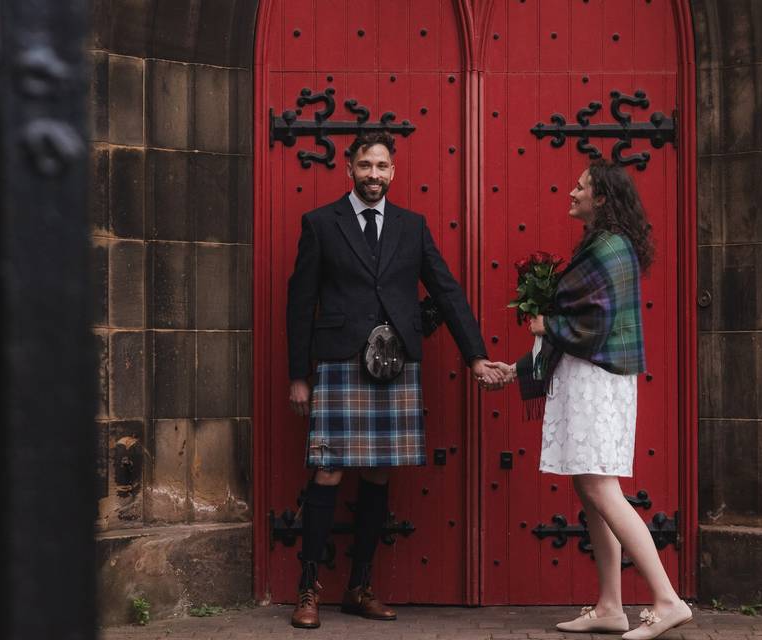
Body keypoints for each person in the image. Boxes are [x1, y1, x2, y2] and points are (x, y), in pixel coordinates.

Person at [286, 131, 506, 629]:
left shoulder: (412, 226)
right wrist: (299, 376)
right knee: (329, 471)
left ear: (394, 171)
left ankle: (359, 587)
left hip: (395, 364)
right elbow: (300, 304)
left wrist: (475, 356)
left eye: (382, 166)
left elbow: (446, 291)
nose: (373, 175)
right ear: (349, 168)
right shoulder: (321, 223)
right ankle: (308, 588)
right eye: (365, 165)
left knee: (379, 473)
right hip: (340, 362)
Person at [490, 160, 692, 640]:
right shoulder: (601, 245)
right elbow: (582, 321)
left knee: (603, 489)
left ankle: (667, 600)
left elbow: (592, 324)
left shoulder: (609, 248)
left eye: (580, 186)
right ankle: (609, 605)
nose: (571, 191)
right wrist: (516, 367)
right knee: (589, 490)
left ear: (602, 198)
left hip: (598, 381)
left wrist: (545, 324)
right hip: (587, 377)